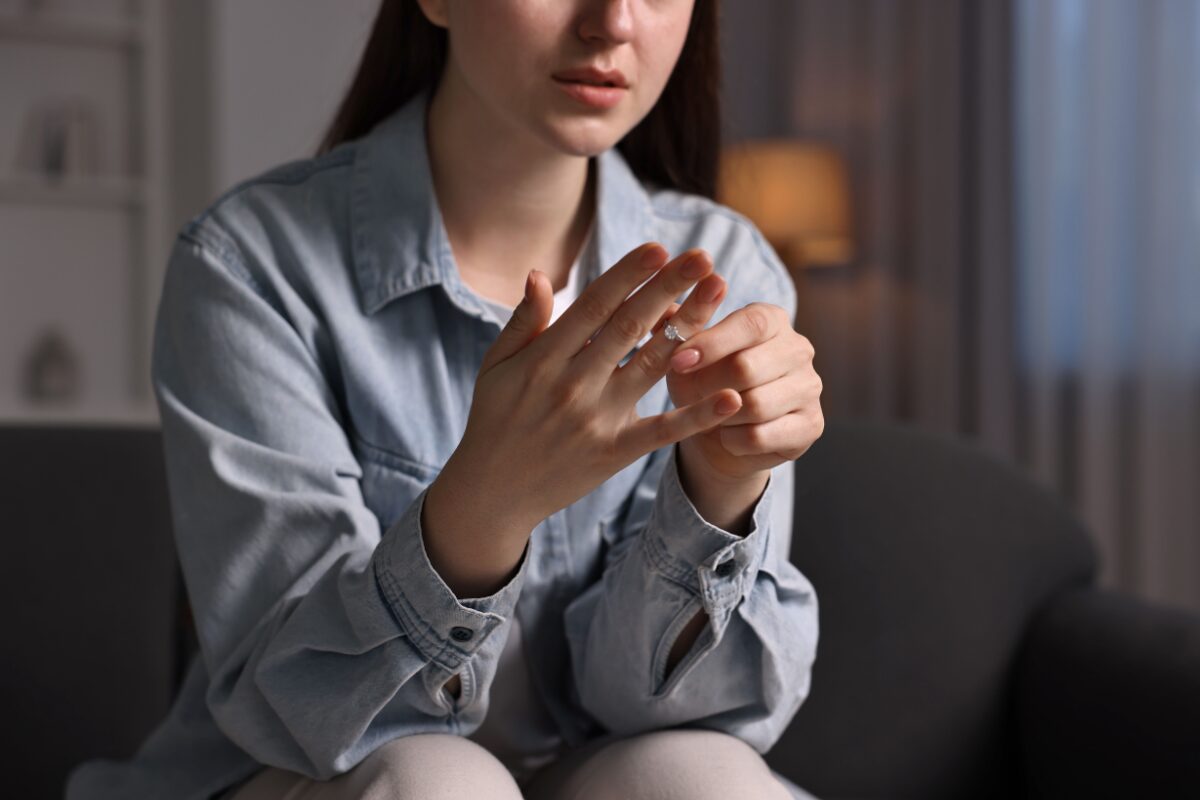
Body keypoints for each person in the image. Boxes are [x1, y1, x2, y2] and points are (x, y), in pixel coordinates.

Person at [65, 1, 825, 798]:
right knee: (435, 782)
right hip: (306, 775)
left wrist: (722, 489)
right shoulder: (252, 266)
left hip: (595, 770)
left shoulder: (729, 268)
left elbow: (689, 714)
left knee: (708, 778)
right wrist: (487, 501)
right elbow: (304, 713)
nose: (613, 21)